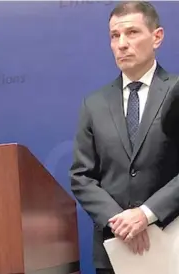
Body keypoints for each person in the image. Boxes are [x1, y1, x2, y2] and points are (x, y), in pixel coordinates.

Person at [69, 2, 179, 274]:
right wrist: (119, 221)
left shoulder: (176, 92)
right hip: (114, 251)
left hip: (173, 243)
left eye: (132, 33)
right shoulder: (93, 104)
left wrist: (145, 214)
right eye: (115, 36)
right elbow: (81, 176)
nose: (122, 44)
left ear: (157, 37)